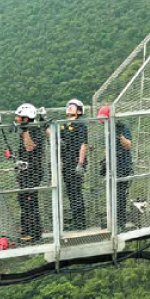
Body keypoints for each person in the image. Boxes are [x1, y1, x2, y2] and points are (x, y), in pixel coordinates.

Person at [97, 106, 134, 230]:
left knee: (120, 196)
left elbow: (129, 145)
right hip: (112, 167)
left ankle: (120, 223)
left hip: (123, 166)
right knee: (111, 195)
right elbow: (107, 147)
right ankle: (112, 220)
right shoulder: (107, 129)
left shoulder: (123, 128)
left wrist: (121, 137)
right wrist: (104, 161)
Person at [13, 103, 45, 242]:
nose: (16, 119)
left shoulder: (35, 130)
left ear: (26, 119)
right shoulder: (24, 131)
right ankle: (26, 230)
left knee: (30, 201)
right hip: (25, 172)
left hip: (34, 172)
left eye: (19, 117)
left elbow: (29, 147)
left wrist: (25, 130)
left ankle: (34, 233)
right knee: (23, 200)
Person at [59, 99, 89, 231]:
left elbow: (84, 144)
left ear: (79, 111)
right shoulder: (63, 125)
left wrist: (80, 164)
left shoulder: (80, 124)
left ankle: (80, 222)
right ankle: (75, 219)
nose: (69, 108)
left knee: (76, 192)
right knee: (71, 192)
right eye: (68, 106)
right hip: (67, 162)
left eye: (73, 106)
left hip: (75, 162)